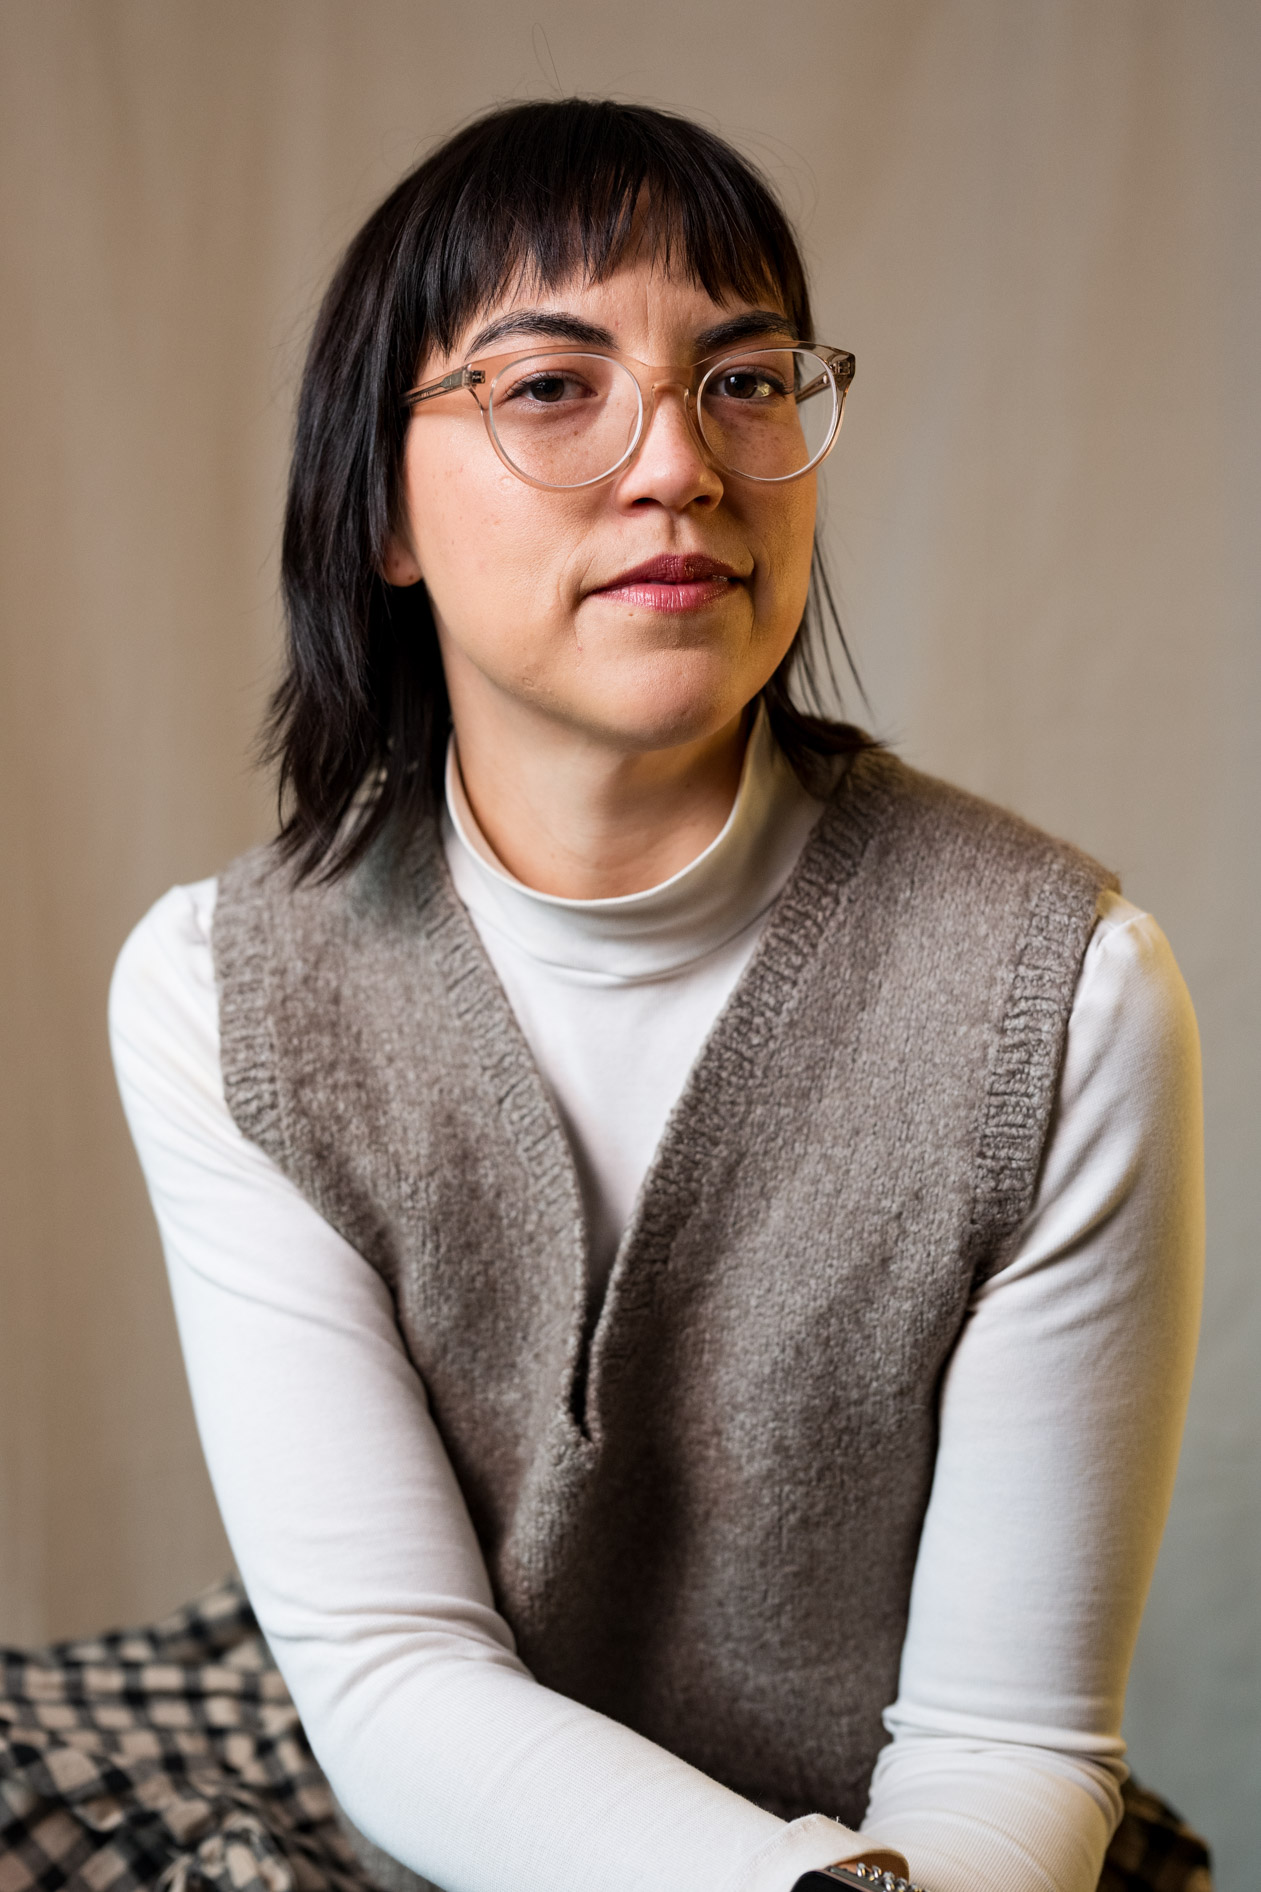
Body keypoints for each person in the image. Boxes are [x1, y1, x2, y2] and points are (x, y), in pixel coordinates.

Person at [98, 100, 1203, 1892]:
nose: (678, 463)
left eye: (745, 381)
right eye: (549, 388)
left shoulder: (1059, 996)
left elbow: (1010, 1743)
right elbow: (393, 1678)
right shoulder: (225, 991)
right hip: (376, 1812)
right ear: (377, 505)